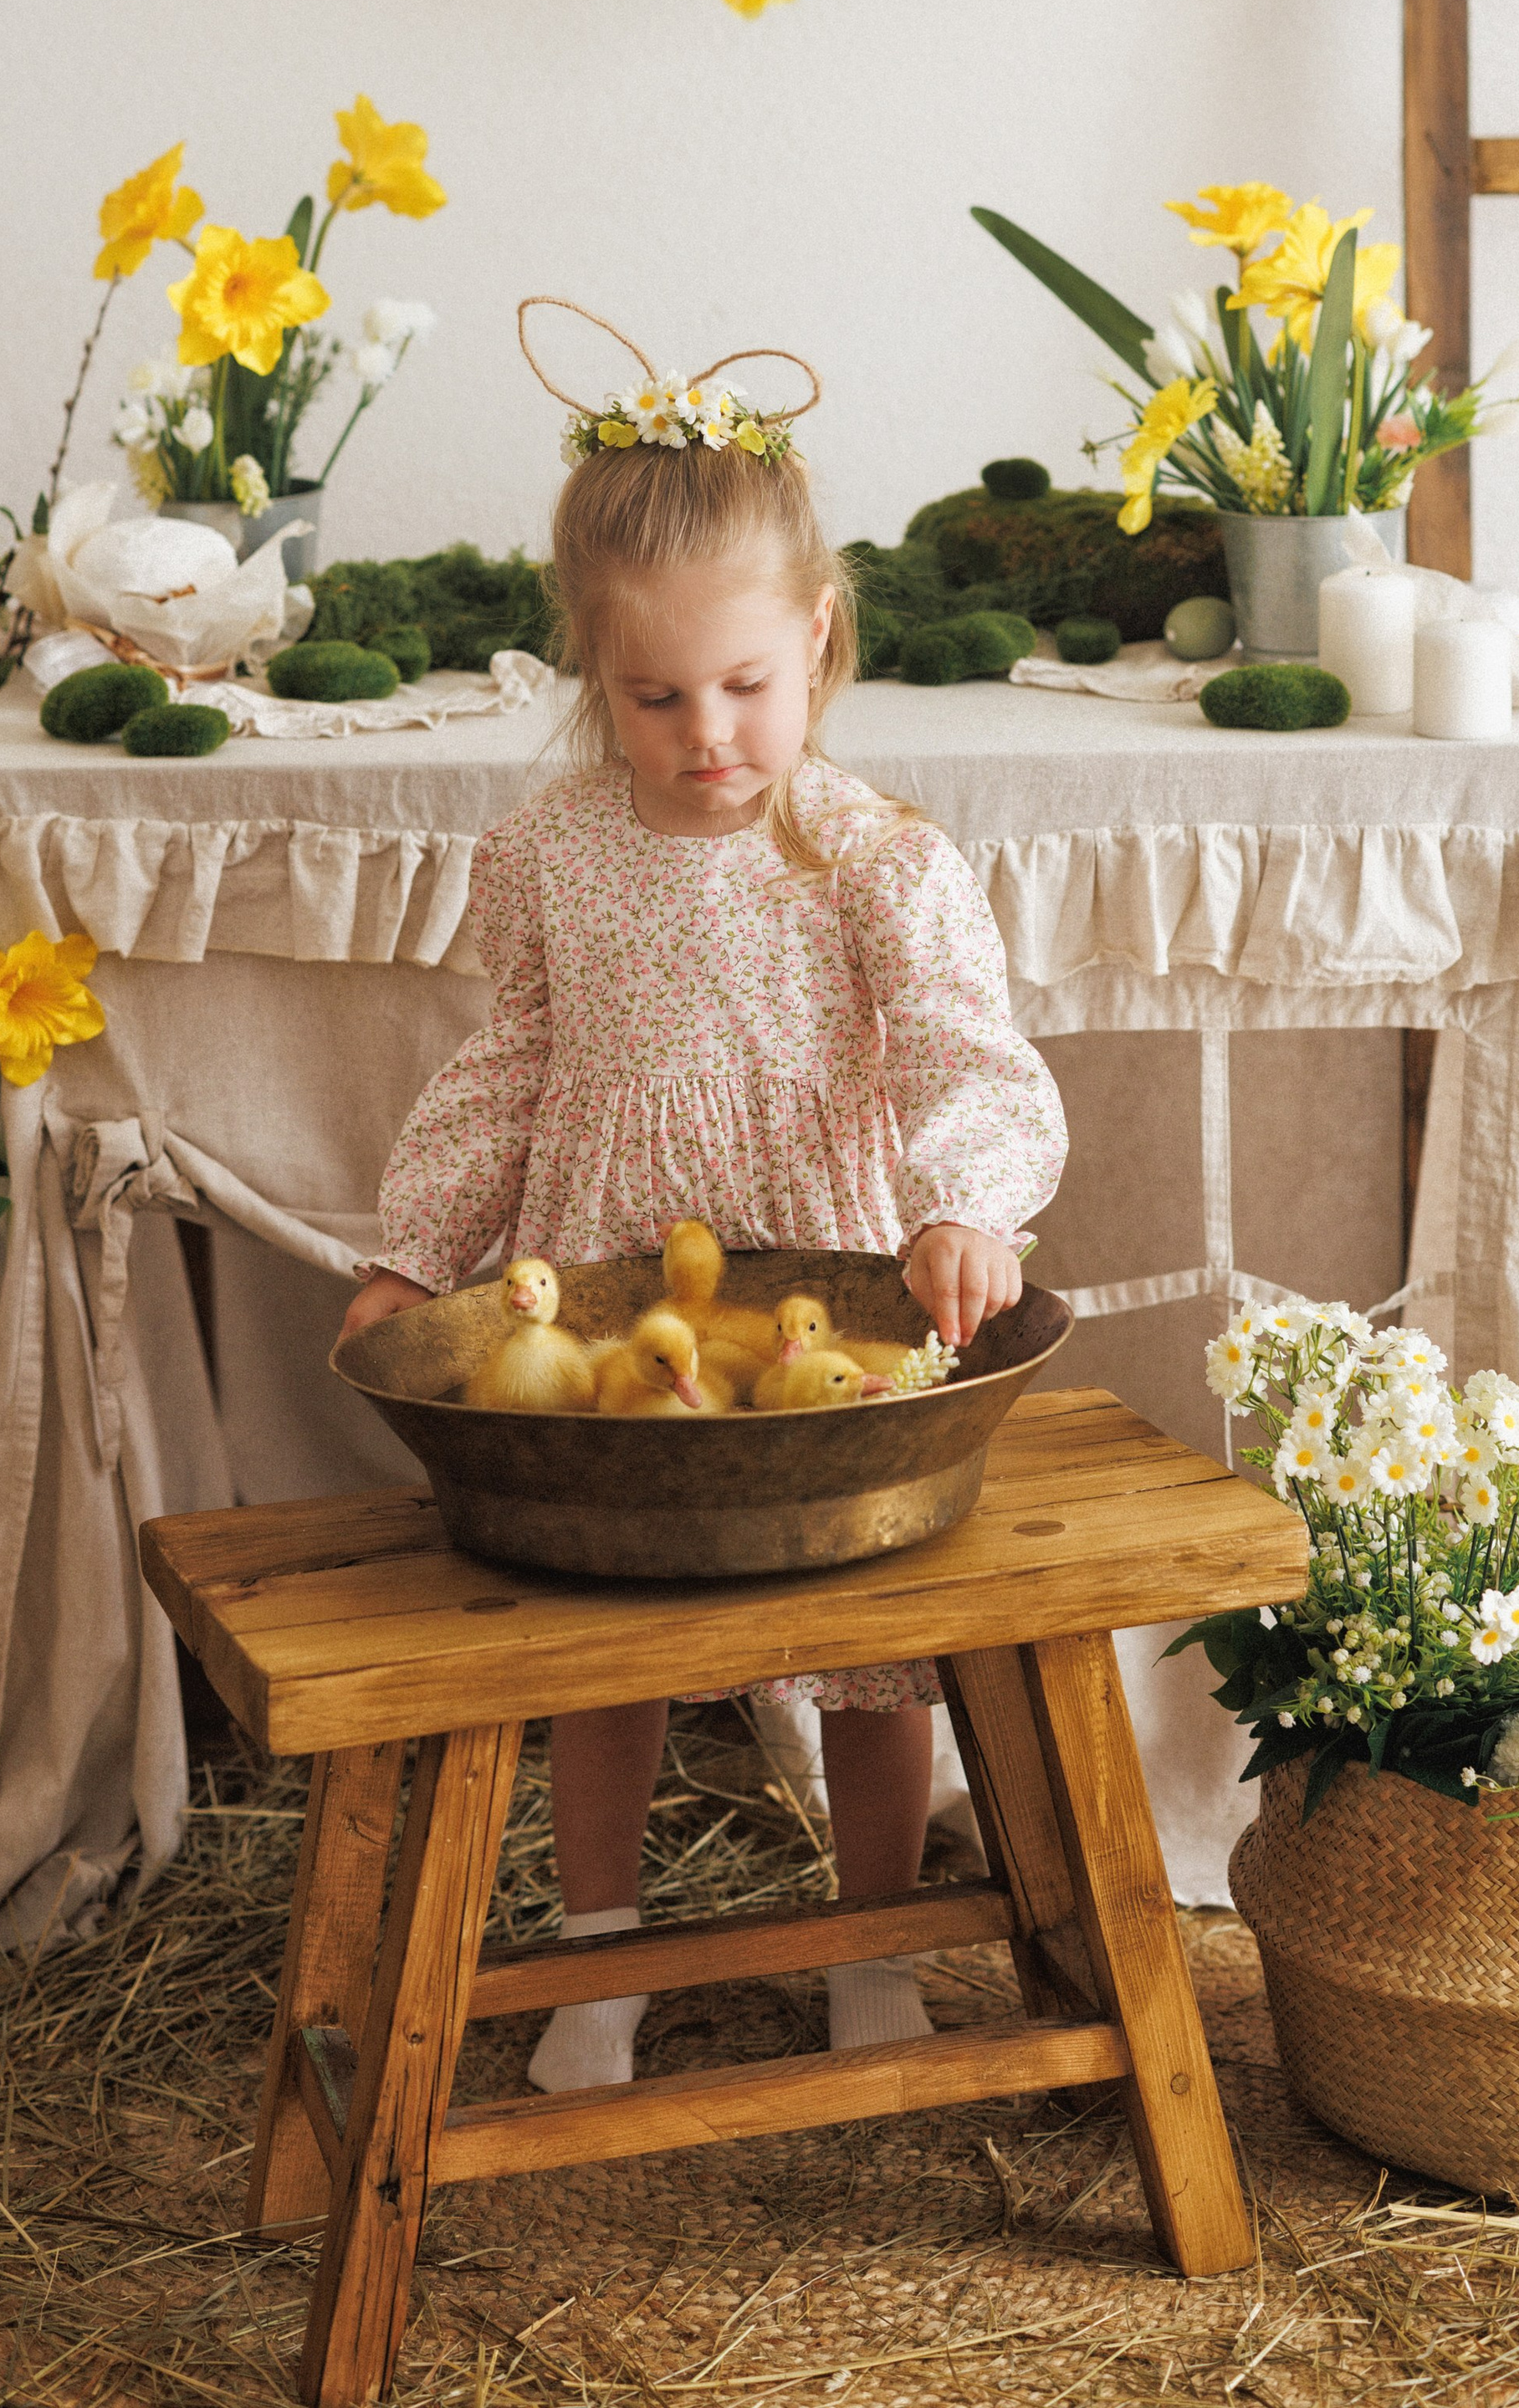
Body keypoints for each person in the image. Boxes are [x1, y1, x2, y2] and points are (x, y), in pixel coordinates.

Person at [335, 312, 1067, 2089]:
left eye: (741, 683)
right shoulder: (548, 854)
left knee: (865, 1644)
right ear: (593, 670)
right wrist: (411, 1255)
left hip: (824, 1299)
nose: (706, 733)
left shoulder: (872, 856)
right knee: (610, 1641)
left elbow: (965, 1055)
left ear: (814, 635)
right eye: (653, 697)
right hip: (609, 1303)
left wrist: (968, 1206)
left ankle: (871, 1939)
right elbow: (506, 1066)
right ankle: (602, 1957)